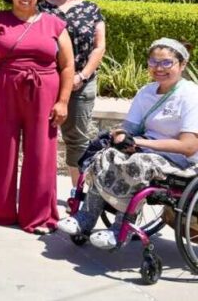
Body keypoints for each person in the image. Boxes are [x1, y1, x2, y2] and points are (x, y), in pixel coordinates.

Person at [57, 39, 198, 248]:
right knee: (107, 155)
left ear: (182, 64)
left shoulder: (190, 95)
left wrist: (139, 143)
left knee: (138, 163)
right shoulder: (146, 92)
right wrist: (121, 136)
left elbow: (188, 146)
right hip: (147, 148)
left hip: (182, 161)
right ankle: (85, 218)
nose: (159, 68)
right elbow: (129, 128)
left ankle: (119, 229)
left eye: (167, 63)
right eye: (153, 62)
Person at [0, 0, 73, 234]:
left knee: (41, 154)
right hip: (4, 91)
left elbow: (67, 65)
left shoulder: (55, 24)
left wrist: (62, 101)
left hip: (44, 93)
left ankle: (39, 216)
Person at [38, 0, 105, 186]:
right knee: (40, 136)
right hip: (45, 81)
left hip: (81, 83)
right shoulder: (40, 8)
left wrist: (82, 75)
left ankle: (78, 193)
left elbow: (100, 46)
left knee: (76, 139)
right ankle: (40, 189)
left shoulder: (90, 9)